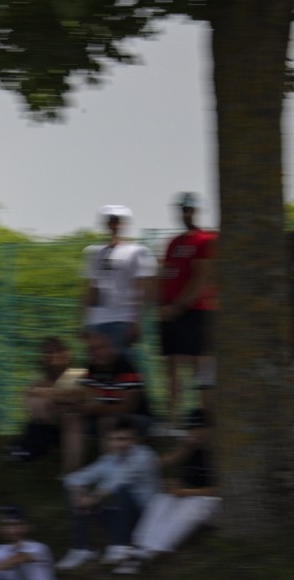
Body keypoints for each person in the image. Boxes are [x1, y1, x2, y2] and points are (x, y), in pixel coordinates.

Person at [129, 409, 220, 573]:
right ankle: (141, 544)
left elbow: (221, 490)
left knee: (191, 506)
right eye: (192, 429)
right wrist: (175, 485)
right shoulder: (194, 449)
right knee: (162, 499)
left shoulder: (220, 452)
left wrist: (186, 492)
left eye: (199, 428)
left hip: (211, 500)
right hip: (192, 493)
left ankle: (159, 548)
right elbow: (186, 476)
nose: (194, 433)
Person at [58, 422, 158, 571]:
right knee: (75, 492)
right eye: (114, 439)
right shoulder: (110, 459)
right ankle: (81, 548)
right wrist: (78, 492)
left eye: (124, 438)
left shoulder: (143, 455)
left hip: (144, 517)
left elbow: (118, 480)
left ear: (134, 440)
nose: (119, 443)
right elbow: (75, 478)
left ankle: (120, 545)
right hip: (118, 514)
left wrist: (91, 497)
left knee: (121, 490)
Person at [158, 193, 217, 429]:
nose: (186, 214)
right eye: (183, 209)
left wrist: (179, 306)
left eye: (190, 209)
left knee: (199, 366)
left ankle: (206, 417)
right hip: (169, 313)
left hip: (195, 311)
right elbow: (167, 275)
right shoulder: (173, 242)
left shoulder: (206, 239)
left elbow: (202, 277)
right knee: (170, 366)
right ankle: (173, 419)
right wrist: (162, 306)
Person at [81, 206, 156, 353]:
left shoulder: (137, 252)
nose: (114, 225)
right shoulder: (94, 252)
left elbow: (141, 289)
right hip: (98, 320)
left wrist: (136, 322)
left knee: (121, 362)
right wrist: (85, 321)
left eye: (118, 221)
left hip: (122, 320)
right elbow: (91, 288)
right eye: (111, 221)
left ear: (124, 224)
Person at [8, 337, 85, 468]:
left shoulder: (79, 374)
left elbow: (78, 397)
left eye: (58, 351)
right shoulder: (40, 380)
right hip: (46, 422)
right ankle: (31, 446)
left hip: (72, 421)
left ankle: (31, 447)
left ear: (67, 353)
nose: (54, 355)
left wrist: (51, 396)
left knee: (45, 404)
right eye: (49, 352)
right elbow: (27, 399)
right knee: (37, 403)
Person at [76, 329, 149, 461]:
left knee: (107, 421)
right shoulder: (90, 369)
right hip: (101, 416)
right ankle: (70, 472)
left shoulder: (126, 368)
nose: (96, 353)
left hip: (135, 419)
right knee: (72, 418)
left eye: (100, 348)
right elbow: (80, 395)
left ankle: (110, 470)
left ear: (111, 348)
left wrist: (93, 409)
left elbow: (127, 408)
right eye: (92, 349)